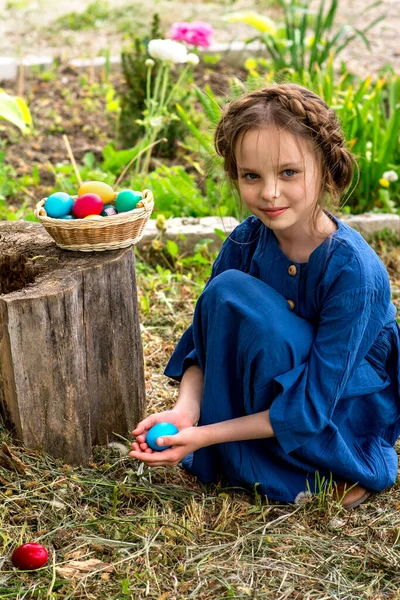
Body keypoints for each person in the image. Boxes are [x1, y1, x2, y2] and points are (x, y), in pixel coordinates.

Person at [130, 83, 400, 508]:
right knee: (225, 296)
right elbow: (206, 340)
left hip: (335, 412)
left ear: (325, 170)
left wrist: (203, 435)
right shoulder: (246, 241)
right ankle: (255, 462)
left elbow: (311, 406)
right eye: (251, 176)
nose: (269, 193)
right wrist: (186, 411)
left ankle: (328, 473)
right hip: (274, 386)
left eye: (288, 173)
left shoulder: (355, 273)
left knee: (238, 299)